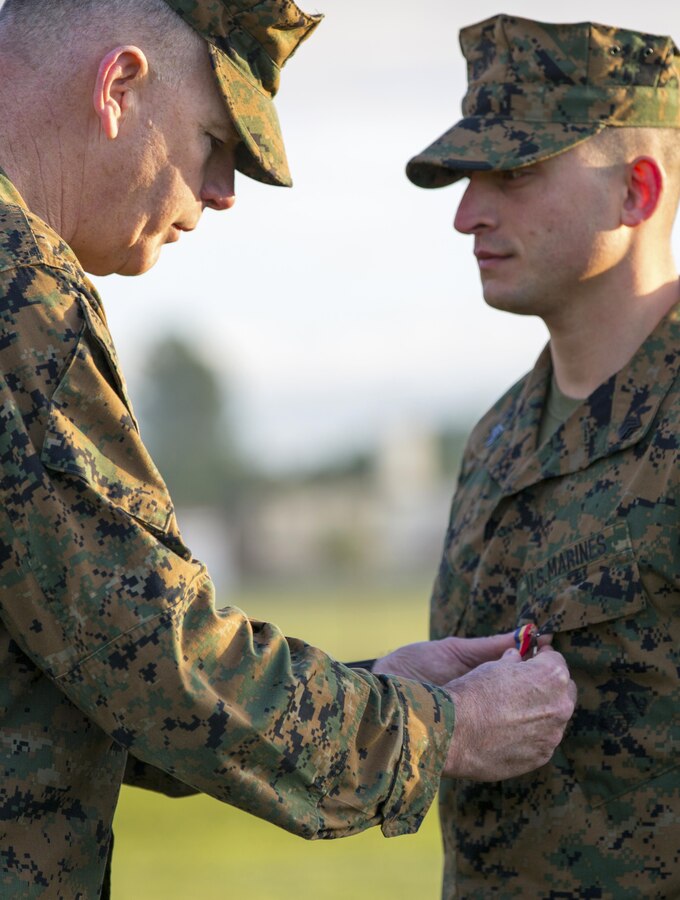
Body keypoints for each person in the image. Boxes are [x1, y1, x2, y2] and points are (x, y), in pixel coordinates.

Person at [0, 1, 577, 896]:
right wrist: (437, 728)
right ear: (119, 85)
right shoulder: (19, 290)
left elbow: (67, 670)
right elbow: (154, 663)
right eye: (215, 140)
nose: (223, 190)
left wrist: (378, 688)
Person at [378, 12, 680, 898]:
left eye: (512, 172)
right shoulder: (497, 438)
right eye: (468, 179)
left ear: (636, 192)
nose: (469, 213)